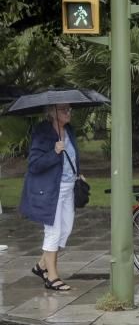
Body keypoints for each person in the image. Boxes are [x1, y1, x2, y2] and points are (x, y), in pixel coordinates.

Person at [21, 103, 81, 292]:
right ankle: (52, 277)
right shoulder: (42, 133)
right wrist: (54, 152)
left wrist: (77, 173)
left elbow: (73, 156)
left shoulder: (69, 130)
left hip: (68, 187)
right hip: (50, 190)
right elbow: (34, 164)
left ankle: (41, 265)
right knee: (53, 231)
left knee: (66, 230)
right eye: (64, 110)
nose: (68, 113)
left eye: (69, 110)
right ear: (53, 113)